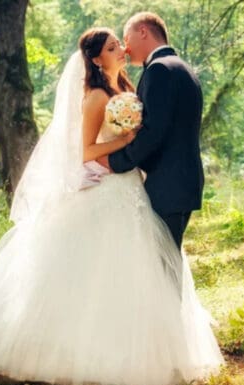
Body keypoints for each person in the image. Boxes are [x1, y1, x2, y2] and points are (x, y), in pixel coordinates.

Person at [0, 25, 225, 385]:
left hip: (132, 187)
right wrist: (124, 143)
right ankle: (85, 347)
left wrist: (131, 143)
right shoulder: (94, 97)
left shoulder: (125, 88)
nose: (121, 49)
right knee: (98, 267)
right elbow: (84, 151)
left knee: (139, 267)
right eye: (112, 46)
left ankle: (142, 341)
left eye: (120, 43)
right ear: (95, 58)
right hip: (110, 184)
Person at [97, 12, 205, 250]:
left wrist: (116, 162)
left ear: (143, 32)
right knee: (165, 264)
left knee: (161, 266)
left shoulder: (159, 70)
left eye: (126, 39)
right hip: (181, 182)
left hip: (168, 184)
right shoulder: (181, 67)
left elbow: (153, 132)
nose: (125, 49)